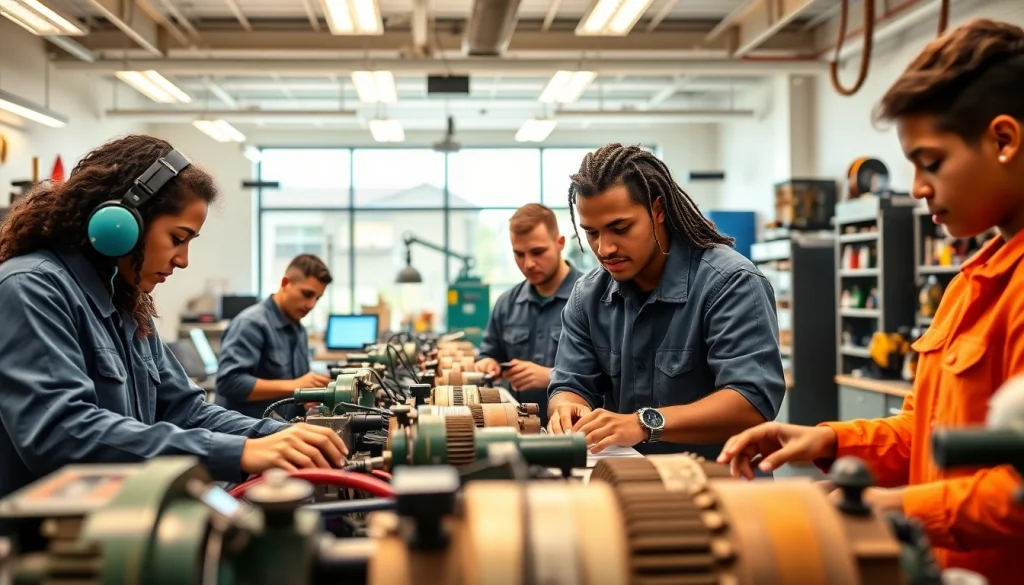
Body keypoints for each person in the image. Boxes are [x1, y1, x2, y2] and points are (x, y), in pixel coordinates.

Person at [716, 19, 1024, 585]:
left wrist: (892, 507)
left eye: (931, 162)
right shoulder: (971, 282)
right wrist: (829, 438)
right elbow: (927, 433)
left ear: (1004, 140)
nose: (917, 188)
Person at [0, 135, 347, 548]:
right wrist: (238, 454)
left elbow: (186, 410)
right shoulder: (32, 288)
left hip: (124, 534)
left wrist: (277, 434)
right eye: (177, 238)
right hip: (46, 552)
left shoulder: (125, 305)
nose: (182, 260)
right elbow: (62, 431)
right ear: (122, 224)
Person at [545, 143, 786, 463]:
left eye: (620, 228)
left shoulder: (731, 283)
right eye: (591, 233)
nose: (604, 249)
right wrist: (566, 407)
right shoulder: (587, 297)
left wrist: (645, 423)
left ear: (658, 210)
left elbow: (752, 401)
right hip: (628, 487)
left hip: (723, 491)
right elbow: (569, 382)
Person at [474, 204, 583, 425]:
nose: (528, 263)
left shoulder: (591, 299)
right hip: (517, 432)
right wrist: (487, 364)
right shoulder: (507, 304)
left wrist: (551, 377)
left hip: (578, 435)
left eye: (538, 252)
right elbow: (487, 353)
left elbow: (612, 379)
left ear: (560, 243)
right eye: (519, 254)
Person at [216, 254, 333, 419]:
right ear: (285, 283)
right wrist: (295, 386)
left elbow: (294, 390)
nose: (311, 304)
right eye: (307, 294)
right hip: (246, 436)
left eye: (317, 298)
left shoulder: (298, 329)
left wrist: (307, 398)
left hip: (282, 429)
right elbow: (229, 383)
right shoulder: (251, 324)